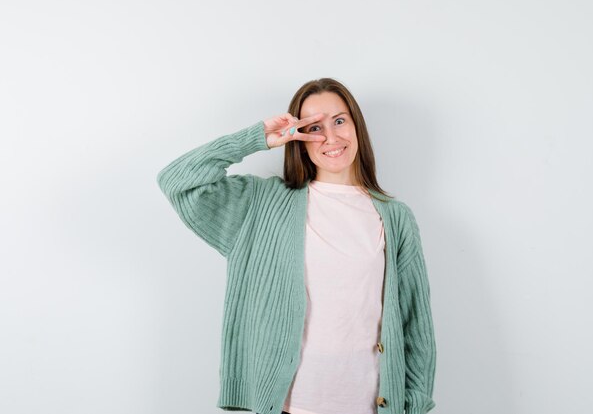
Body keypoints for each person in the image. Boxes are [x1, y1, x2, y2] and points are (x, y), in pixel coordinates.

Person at [157, 78, 436, 414]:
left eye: (339, 120)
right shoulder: (261, 205)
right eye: (314, 127)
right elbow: (178, 181)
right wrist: (258, 138)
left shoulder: (395, 217)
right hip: (291, 406)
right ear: (300, 140)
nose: (330, 137)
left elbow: (414, 323)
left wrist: (415, 405)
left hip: (373, 406)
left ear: (356, 126)